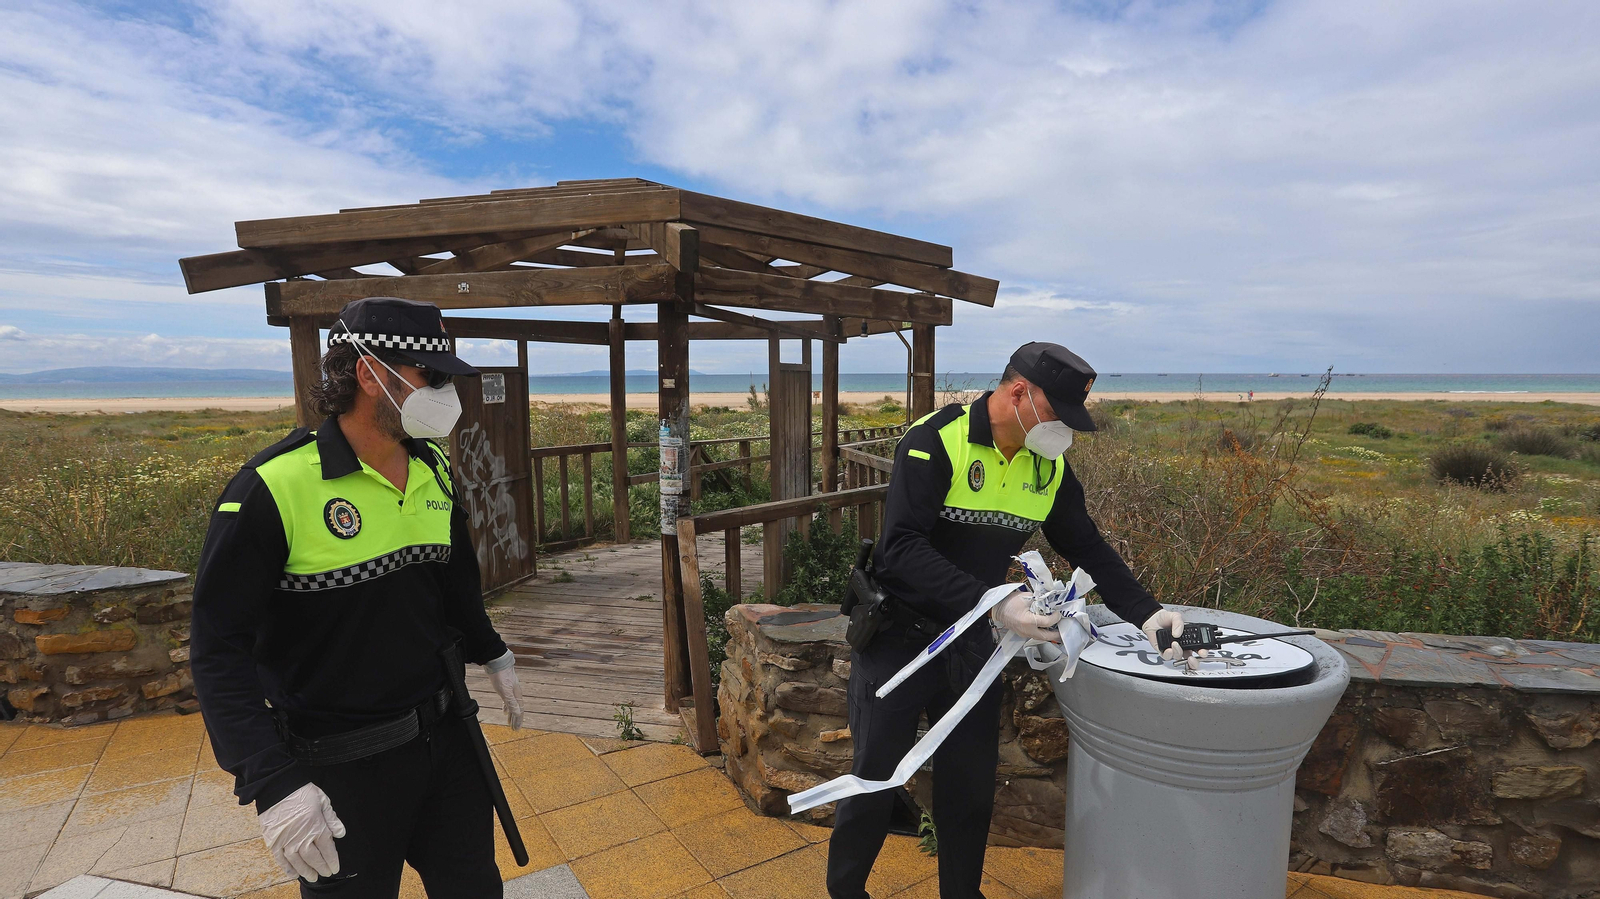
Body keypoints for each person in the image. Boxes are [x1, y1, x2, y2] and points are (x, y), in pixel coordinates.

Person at [826, 342, 1193, 899]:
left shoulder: (1049, 466)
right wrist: (994, 601)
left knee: (969, 787)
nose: (1062, 430)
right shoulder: (935, 440)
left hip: (975, 646)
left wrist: (1148, 612)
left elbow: (1086, 546)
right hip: (898, 639)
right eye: (1056, 413)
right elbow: (899, 547)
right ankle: (847, 891)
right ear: (1019, 392)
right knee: (873, 780)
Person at [192, 297, 525, 898]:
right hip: (337, 766)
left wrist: (491, 650)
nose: (447, 393)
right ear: (371, 375)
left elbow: (452, 581)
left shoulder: (432, 467)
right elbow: (218, 649)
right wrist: (271, 781)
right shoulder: (271, 489)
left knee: (475, 888)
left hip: (447, 740)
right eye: (433, 376)